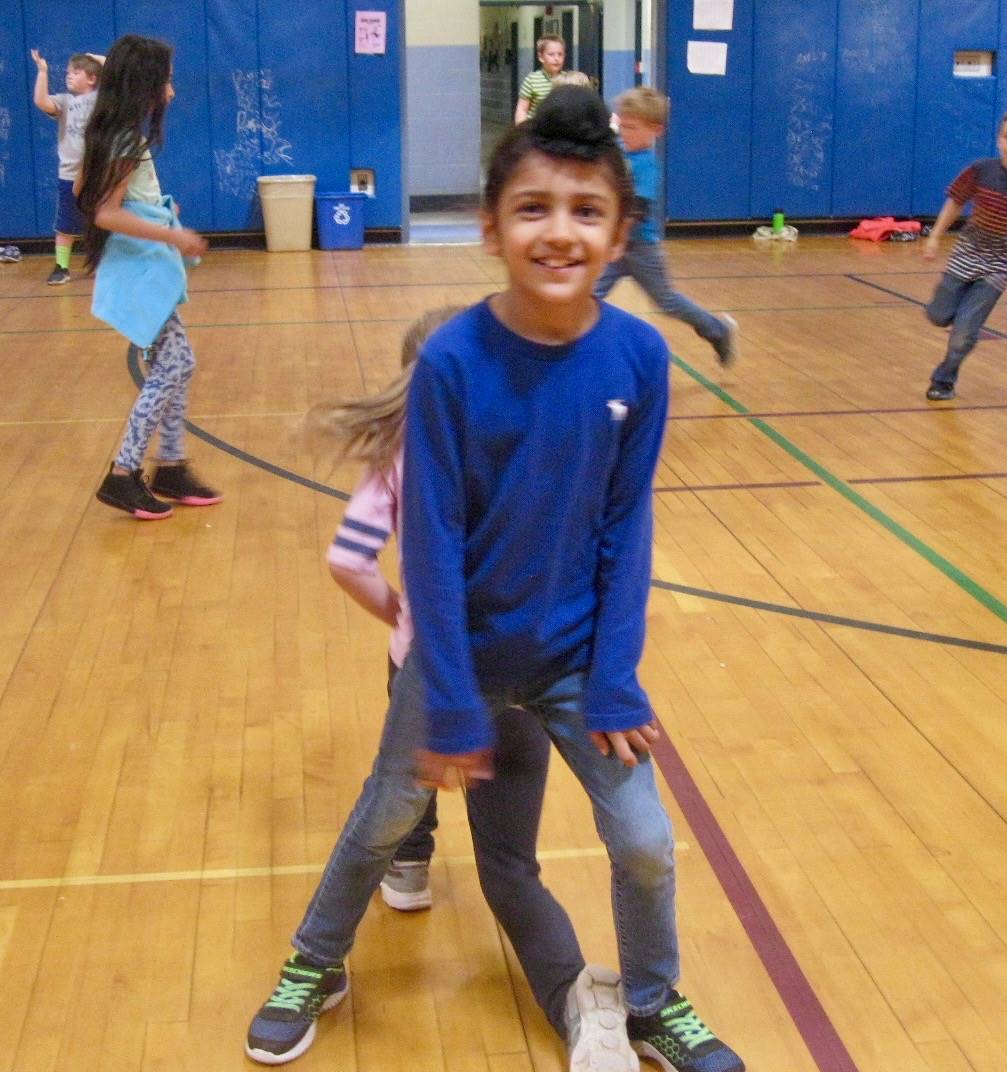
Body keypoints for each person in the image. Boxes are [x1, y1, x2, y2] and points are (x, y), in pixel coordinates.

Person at [245, 87, 744, 1072]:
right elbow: (429, 540)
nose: (559, 233)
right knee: (384, 820)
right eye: (532, 208)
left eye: (586, 211)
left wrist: (614, 676)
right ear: (489, 225)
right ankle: (314, 960)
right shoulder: (452, 362)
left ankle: (649, 1002)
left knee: (645, 842)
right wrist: (453, 706)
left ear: (619, 232)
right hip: (461, 662)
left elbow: (623, 526)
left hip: (573, 668)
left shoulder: (639, 358)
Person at [306, 305, 631, 1070]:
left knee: (398, 798)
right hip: (521, 669)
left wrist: (403, 617)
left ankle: (410, 866)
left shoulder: (398, 452)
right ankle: (578, 1008)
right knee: (508, 863)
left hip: (426, 663)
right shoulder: (520, 449)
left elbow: (348, 561)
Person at [75, 34, 220, 519]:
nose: (172, 91)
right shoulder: (125, 140)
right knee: (175, 366)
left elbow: (82, 189)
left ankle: (172, 466)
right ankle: (123, 472)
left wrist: (156, 210)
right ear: (144, 85)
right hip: (138, 269)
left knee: (181, 362)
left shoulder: (112, 134)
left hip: (141, 265)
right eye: (167, 80)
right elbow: (103, 213)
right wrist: (172, 235)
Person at [592, 87, 738, 367]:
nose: (625, 132)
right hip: (616, 247)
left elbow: (636, 210)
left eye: (632, 128)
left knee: (668, 302)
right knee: (588, 295)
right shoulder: (622, 150)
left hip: (640, 250)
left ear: (655, 130)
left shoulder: (646, 165)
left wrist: (618, 240)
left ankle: (718, 330)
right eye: (623, 126)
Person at [920, 107, 1007, 401]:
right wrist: (935, 236)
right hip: (966, 255)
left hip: (999, 267)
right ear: (998, 140)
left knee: (964, 333)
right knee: (938, 315)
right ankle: (948, 311)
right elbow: (956, 201)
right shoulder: (981, 170)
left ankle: (944, 380)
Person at [32, 49, 103, 286]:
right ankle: (62, 266)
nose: (69, 76)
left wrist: (97, 60)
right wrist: (43, 72)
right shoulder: (65, 101)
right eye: (68, 72)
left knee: (103, 219)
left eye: (76, 72)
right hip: (70, 174)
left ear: (92, 78)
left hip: (99, 172)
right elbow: (41, 101)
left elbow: (117, 70)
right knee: (65, 225)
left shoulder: (102, 98)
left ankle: (102, 262)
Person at [514, 34, 566, 124]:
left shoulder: (568, 79)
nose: (556, 58)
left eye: (560, 54)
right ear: (541, 57)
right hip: (536, 131)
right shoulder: (532, 80)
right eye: (551, 54)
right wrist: (522, 132)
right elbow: (522, 109)